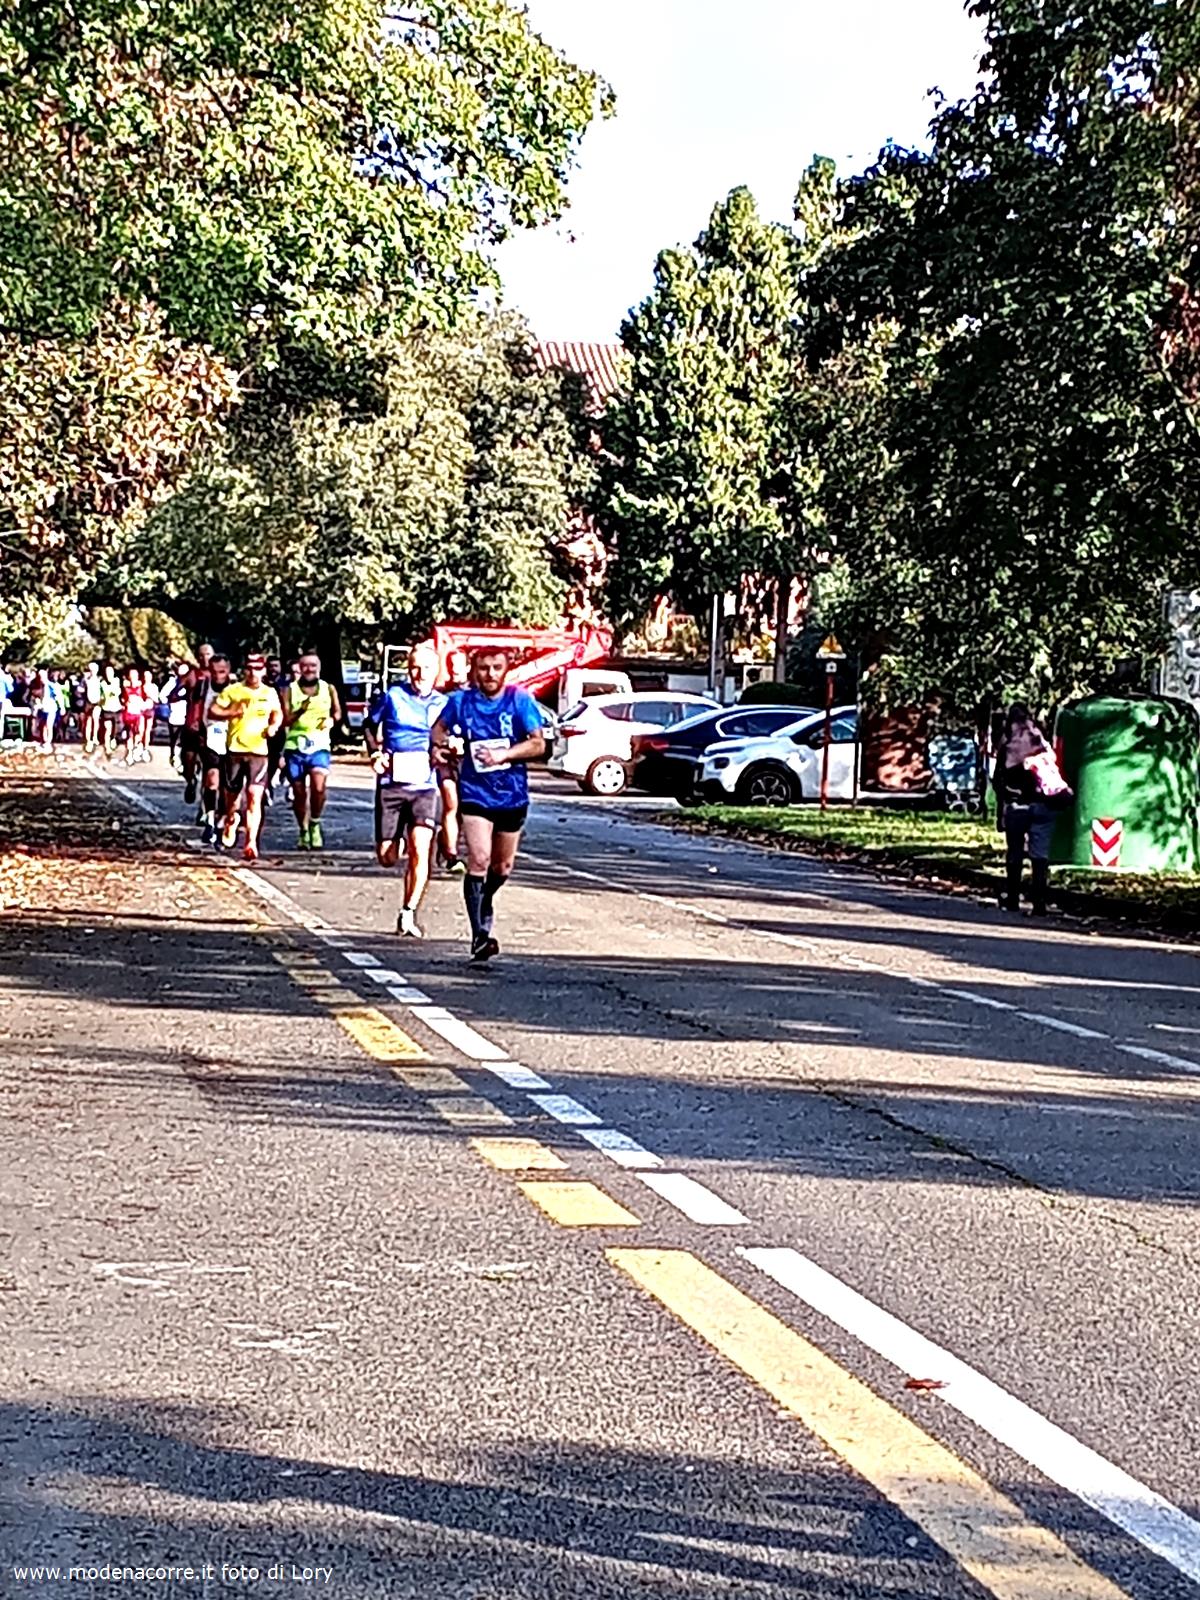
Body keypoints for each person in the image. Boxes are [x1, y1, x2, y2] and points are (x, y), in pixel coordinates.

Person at [432, 647, 545, 961]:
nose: (490, 674)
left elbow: (538, 743)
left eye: (496, 667)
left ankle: (485, 898)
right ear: (474, 671)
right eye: (483, 668)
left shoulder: (519, 700)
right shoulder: (460, 701)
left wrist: (505, 754)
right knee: (479, 859)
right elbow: (437, 730)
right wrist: (438, 749)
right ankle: (480, 936)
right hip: (475, 792)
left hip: (512, 794)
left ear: (506, 670)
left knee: (501, 867)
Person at [366, 643, 446, 937]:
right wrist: (375, 753)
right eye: (415, 667)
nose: (420, 673)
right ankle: (394, 839)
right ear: (408, 669)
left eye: (426, 668)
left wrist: (452, 748)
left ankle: (408, 911)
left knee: (420, 850)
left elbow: (456, 736)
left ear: (436, 671)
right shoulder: (392, 696)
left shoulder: (445, 704)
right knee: (387, 857)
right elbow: (368, 726)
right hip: (392, 784)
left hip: (425, 786)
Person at [993, 702, 1070, 916]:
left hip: (1017, 807)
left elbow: (999, 782)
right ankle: (1039, 903)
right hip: (1044, 806)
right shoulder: (1040, 742)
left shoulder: (1008, 746)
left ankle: (1012, 899)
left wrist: (1001, 812)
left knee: (1015, 853)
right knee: (1040, 855)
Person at [207, 652, 283, 861]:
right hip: (235, 750)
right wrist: (232, 712)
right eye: (249, 668)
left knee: (254, 796)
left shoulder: (269, 693)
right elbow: (213, 711)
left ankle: (251, 842)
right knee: (232, 798)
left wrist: (274, 726)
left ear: (263, 671)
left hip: (259, 752)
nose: (253, 673)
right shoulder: (233, 691)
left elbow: (277, 713)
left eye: (257, 669)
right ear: (244, 671)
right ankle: (231, 818)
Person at [280, 650, 341, 850]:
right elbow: (285, 720)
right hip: (295, 747)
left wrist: (331, 720)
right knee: (299, 793)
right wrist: (301, 710)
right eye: (305, 666)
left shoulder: (328, 688)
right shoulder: (289, 690)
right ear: (300, 668)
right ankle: (303, 829)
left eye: (313, 665)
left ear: (319, 668)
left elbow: (338, 713)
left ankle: (315, 822)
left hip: (319, 745)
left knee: (318, 787)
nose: (309, 669)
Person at [436, 648, 473, 876]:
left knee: (466, 810)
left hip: (470, 760)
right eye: (451, 665)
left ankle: (446, 839)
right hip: (446, 759)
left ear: (467, 667)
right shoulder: (441, 695)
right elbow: (434, 729)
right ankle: (451, 856)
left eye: (459, 665)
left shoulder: (477, 695)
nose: (455, 669)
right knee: (451, 804)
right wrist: (445, 742)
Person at [197, 654, 233, 844]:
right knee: (212, 780)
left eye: (222, 671)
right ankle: (209, 819)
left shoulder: (237, 688)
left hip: (233, 741)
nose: (218, 676)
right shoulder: (203, 686)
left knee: (228, 787)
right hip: (210, 738)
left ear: (228, 670)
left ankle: (223, 819)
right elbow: (196, 709)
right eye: (214, 672)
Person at [181, 644, 214, 809]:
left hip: (211, 727)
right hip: (192, 725)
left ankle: (205, 806)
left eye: (208, 654)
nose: (205, 658)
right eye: (201, 655)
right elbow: (175, 691)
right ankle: (191, 780)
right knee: (188, 760)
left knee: (211, 767)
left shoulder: (220, 676)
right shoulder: (192, 674)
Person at [159, 660, 190, 770]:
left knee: (186, 739)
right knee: (175, 738)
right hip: (175, 715)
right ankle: (174, 756)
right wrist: (170, 702)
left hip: (188, 715)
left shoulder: (192, 683)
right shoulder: (173, 682)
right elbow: (162, 696)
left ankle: (183, 760)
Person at [98, 663, 122, 757]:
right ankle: (107, 748)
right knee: (107, 729)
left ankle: (113, 739)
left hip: (116, 708)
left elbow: (117, 692)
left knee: (116, 729)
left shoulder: (116, 681)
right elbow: (101, 696)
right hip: (106, 708)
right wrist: (101, 700)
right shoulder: (102, 683)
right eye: (107, 673)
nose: (109, 675)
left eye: (110, 672)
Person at [80, 662, 103, 753]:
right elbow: (80, 689)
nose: (92, 671)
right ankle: (88, 738)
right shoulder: (85, 680)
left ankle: (95, 737)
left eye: (94, 669)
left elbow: (102, 690)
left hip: (97, 702)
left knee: (96, 719)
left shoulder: (99, 679)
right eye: (91, 669)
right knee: (88, 721)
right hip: (88, 702)